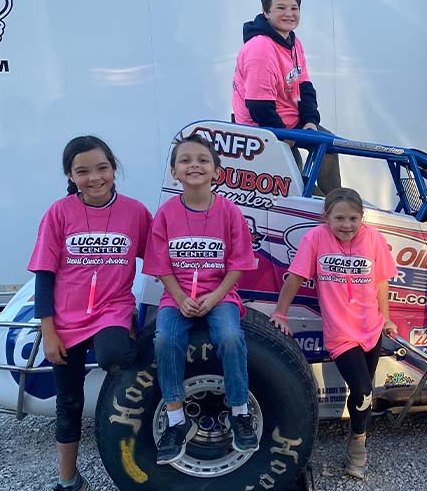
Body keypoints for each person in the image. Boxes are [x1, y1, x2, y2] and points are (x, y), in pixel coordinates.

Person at [28, 136, 153, 491]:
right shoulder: (58, 212)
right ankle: (68, 479)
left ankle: (139, 441)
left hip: (113, 310)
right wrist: (49, 332)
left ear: (114, 169)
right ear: (70, 175)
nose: (94, 177)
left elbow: (161, 257)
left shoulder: (135, 212)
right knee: (68, 403)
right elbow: (44, 275)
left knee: (116, 354)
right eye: (82, 171)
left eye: (102, 168)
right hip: (66, 320)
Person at [143, 134, 259, 464]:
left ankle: (239, 412)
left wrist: (216, 296)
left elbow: (239, 262)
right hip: (176, 298)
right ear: (174, 172)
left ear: (216, 172)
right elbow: (160, 264)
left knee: (230, 337)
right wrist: (179, 297)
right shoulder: (165, 214)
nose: (194, 164)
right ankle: (176, 420)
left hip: (220, 295)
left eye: (203, 160)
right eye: (185, 160)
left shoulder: (230, 212)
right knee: (165, 339)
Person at [270, 188, 396, 479]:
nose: (347, 225)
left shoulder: (374, 238)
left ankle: (357, 435)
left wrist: (386, 318)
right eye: (339, 218)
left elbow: (380, 283)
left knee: (364, 395)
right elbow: (296, 277)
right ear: (325, 216)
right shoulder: (314, 238)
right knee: (363, 389)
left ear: (362, 217)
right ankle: (358, 449)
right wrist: (280, 312)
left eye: (353, 218)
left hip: (372, 328)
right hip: (340, 332)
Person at [231, 0, 341, 195]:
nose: (289, 13)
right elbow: (258, 106)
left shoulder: (293, 41)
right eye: (281, 8)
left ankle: (339, 206)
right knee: (296, 182)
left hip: (289, 119)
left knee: (328, 145)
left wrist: (310, 121)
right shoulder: (260, 48)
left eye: (294, 8)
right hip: (263, 128)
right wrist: (285, 137)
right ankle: (321, 207)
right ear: (266, 12)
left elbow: (305, 87)